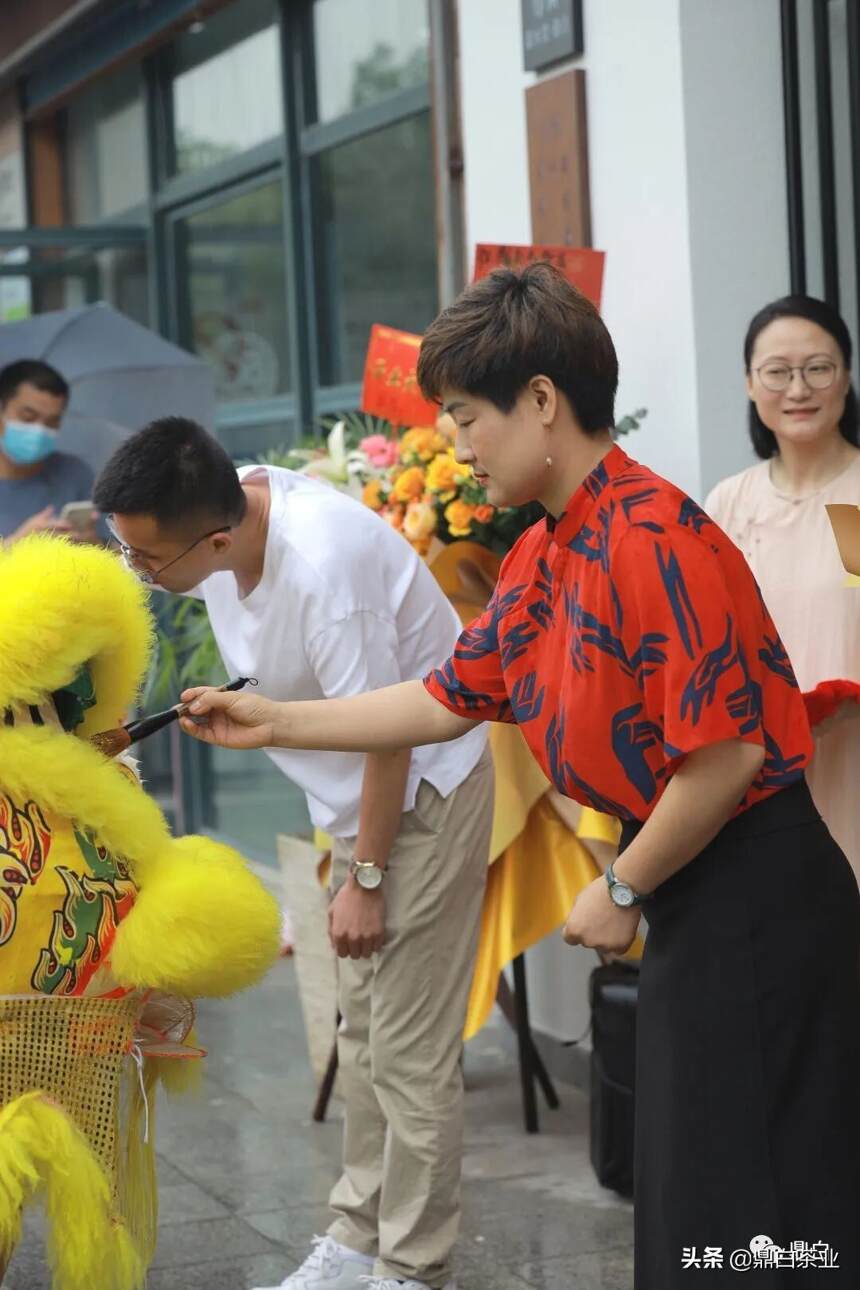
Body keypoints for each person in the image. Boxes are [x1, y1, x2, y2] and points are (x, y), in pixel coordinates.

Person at [179, 265, 860, 1290]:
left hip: (757, 898)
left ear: (541, 401)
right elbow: (449, 692)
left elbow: (724, 758)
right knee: (699, 1193)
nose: (454, 442)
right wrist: (275, 717)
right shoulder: (553, 545)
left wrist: (622, 883)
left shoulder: (651, 536)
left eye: (464, 415)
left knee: (751, 1203)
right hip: (699, 887)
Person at [92, 419, 492, 1290]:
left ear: (220, 539)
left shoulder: (323, 570)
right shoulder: (226, 506)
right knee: (361, 1032)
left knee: (408, 1053)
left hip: (418, 797)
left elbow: (390, 736)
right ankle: (355, 1240)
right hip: (352, 811)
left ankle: (415, 1268)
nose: (141, 575)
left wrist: (366, 878)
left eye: (146, 561)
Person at [0, 533, 280, 1290]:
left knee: (92, 1207)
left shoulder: (108, 795)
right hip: (56, 1030)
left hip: (84, 1042)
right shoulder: (96, 793)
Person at [705, 295, 860, 883]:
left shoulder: (853, 497)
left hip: (846, 757)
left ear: (845, 376)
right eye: (777, 372)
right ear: (750, 383)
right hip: (758, 769)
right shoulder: (731, 503)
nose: (798, 389)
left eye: (818, 368)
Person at [0, 359, 97, 543]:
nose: (39, 430)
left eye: (51, 422)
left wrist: (92, 545)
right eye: (28, 417)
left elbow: (118, 555)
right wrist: (15, 545)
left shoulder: (75, 474)